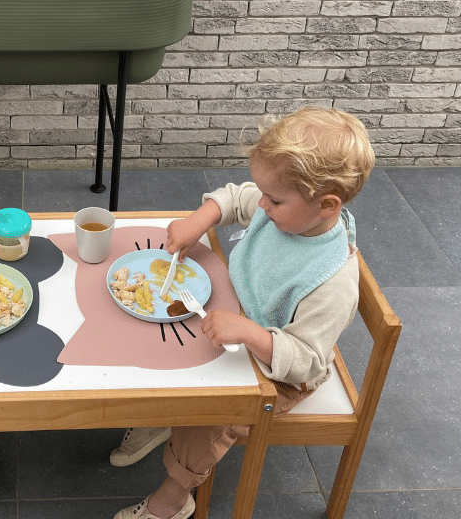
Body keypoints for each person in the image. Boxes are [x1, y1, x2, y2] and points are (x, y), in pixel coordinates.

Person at [110, 107, 375, 519]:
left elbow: (305, 361)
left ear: (326, 205)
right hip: (235, 315)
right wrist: (199, 221)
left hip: (278, 368)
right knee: (160, 346)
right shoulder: (288, 210)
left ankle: (174, 495)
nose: (263, 204)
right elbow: (236, 197)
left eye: (273, 199)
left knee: (215, 410)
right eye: (265, 195)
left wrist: (251, 334)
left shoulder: (332, 280)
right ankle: (162, 417)